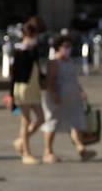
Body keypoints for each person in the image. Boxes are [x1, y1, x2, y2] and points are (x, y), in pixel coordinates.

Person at [41, 35, 96, 163]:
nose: (68, 49)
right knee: (52, 124)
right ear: (58, 48)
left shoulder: (70, 62)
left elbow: (74, 80)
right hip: (57, 99)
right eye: (65, 46)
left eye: (69, 46)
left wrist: (81, 91)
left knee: (75, 123)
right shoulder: (54, 62)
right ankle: (47, 151)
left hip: (72, 99)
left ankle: (81, 148)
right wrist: (55, 95)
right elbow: (50, 80)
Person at [10, 17, 46, 166]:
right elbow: (14, 74)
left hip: (34, 87)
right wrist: (11, 95)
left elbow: (38, 68)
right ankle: (26, 153)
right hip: (23, 88)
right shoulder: (20, 51)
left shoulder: (34, 50)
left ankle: (21, 142)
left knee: (41, 118)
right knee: (26, 121)